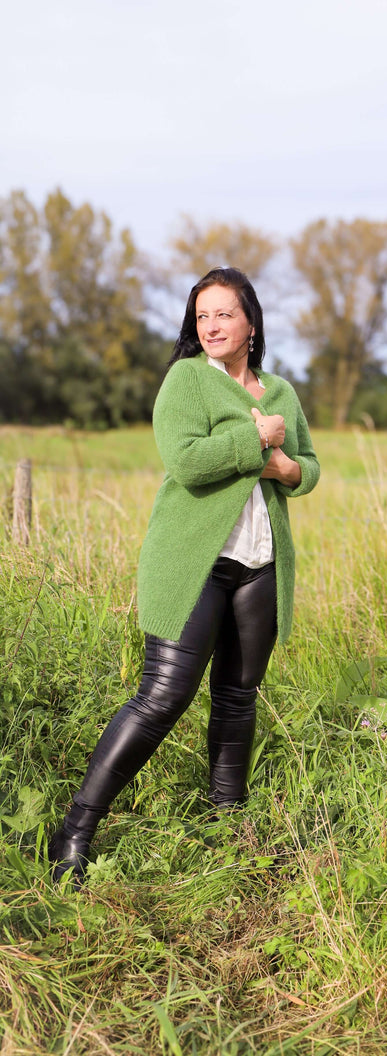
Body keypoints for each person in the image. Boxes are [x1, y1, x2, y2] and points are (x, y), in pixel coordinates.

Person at [47, 266, 320, 888]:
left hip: (259, 563)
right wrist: (255, 442)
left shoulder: (280, 392)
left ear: (251, 321)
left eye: (224, 313)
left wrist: (282, 465)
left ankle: (229, 830)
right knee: (163, 696)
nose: (212, 325)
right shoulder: (186, 382)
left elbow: (308, 468)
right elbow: (188, 463)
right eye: (202, 316)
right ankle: (75, 831)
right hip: (192, 563)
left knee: (237, 697)